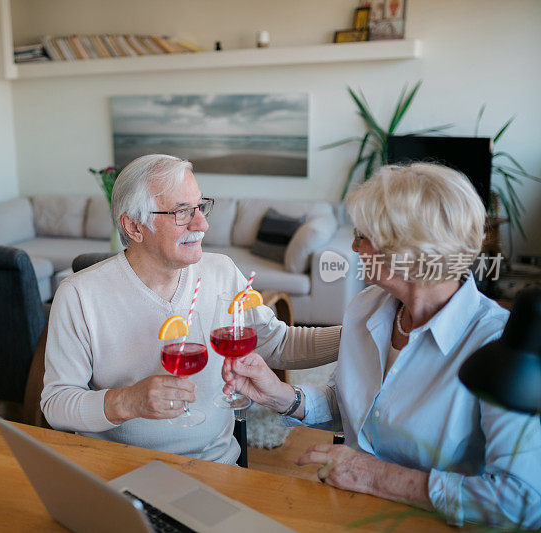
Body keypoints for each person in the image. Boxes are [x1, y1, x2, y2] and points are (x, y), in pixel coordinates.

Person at [221, 163, 541, 528]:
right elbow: (355, 407)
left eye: (363, 235)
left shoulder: (498, 347)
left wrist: (377, 477)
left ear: (409, 250)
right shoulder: (366, 307)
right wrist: (282, 396)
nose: (354, 246)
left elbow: (524, 500)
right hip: (347, 508)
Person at [41, 154, 341, 464]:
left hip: (216, 464)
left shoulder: (222, 272)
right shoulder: (78, 294)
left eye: (200, 206)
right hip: (117, 468)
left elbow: (278, 342)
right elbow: (56, 403)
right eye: (182, 212)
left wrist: (366, 333)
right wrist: (125, 402)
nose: (202, 224)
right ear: (133, 225)